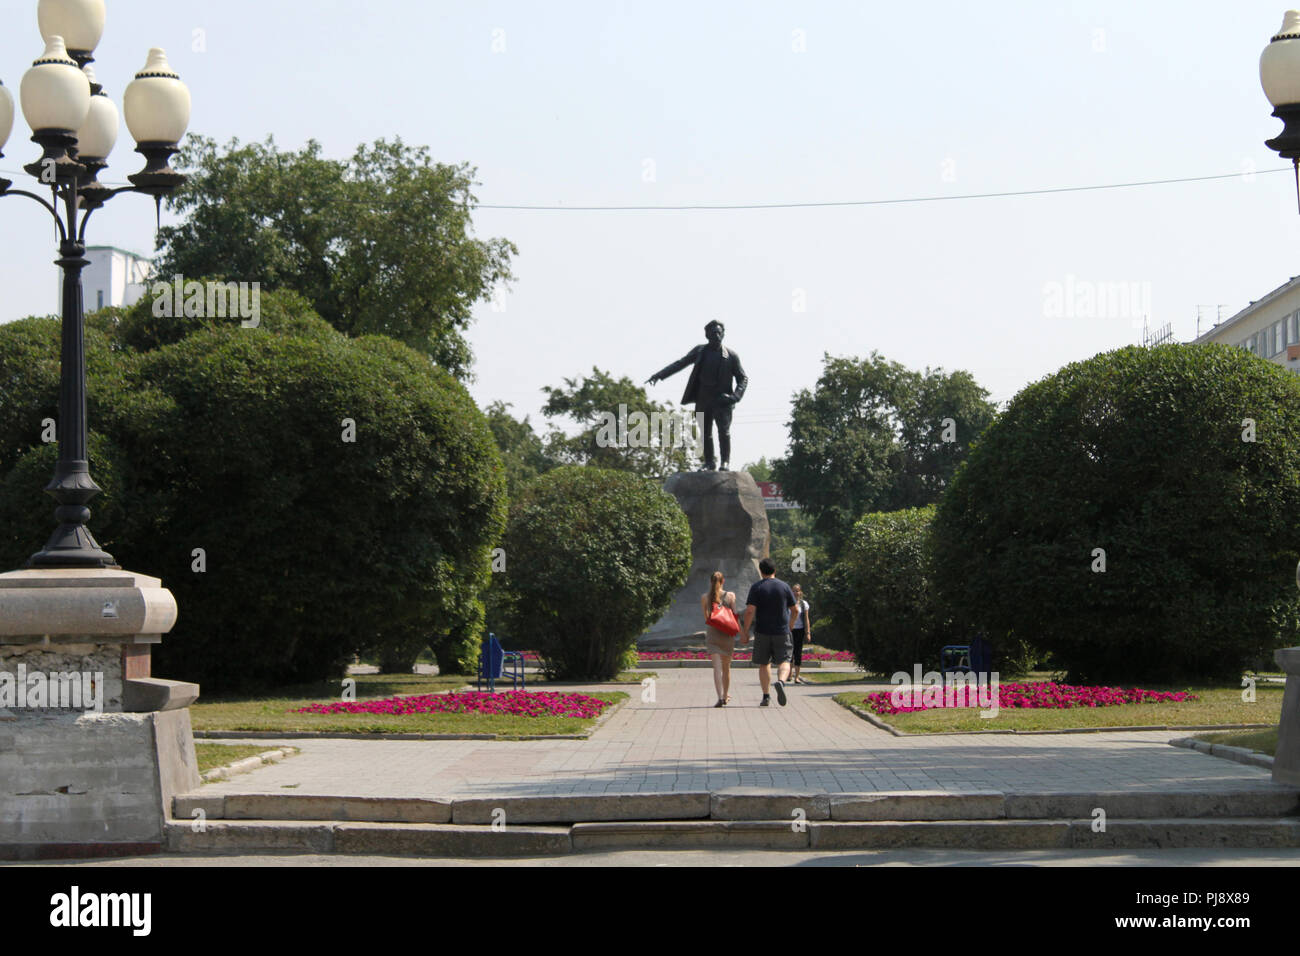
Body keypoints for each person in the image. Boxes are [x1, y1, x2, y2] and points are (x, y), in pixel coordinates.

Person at [645, 320, 748, 472]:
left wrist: (734, 397)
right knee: (705, 433)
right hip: (703, 399)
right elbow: (680, 363)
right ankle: (709, 462)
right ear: (707, 335)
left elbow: (743, 378)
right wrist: (659, 375)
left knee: (723, 432)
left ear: (724, 334)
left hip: (722, 401)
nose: (717, 336)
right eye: (713, 333)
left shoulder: (731, 356)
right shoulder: (700, 351)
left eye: (720, 333)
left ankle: (725, 462)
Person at [741, 558, 799, 707]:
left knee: (763, 663)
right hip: (782, 630)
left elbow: (750, 611)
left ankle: (766, 696)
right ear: (775, 570)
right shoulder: (784, 587)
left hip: (762, 631)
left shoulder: (756, 587)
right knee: (785, 661)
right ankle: (780, 682)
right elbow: (795, 610)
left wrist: (745, 631)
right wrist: (790, 625)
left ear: (761, 571)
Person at [701, 571, 738, 707]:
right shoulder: (730, 595)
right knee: (726, 668)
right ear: (723, 581)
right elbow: (734, 615)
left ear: (711, 582)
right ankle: (725, 695)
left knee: (717, 668)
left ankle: (719, 697)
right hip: (727, 635)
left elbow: (706, 618)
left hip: (713, 634)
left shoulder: (705, 597)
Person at [790, 584, 812, 684]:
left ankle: (797, 677)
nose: (795, 593)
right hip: (789, 630)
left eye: (797, 591)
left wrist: (808, 632)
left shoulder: (804, 604)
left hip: (800, 630)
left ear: (800, 592)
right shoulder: (787, 603)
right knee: (789, 653)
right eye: (794, 591)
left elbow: (806, 619)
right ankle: (789, 674)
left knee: (798, 653)